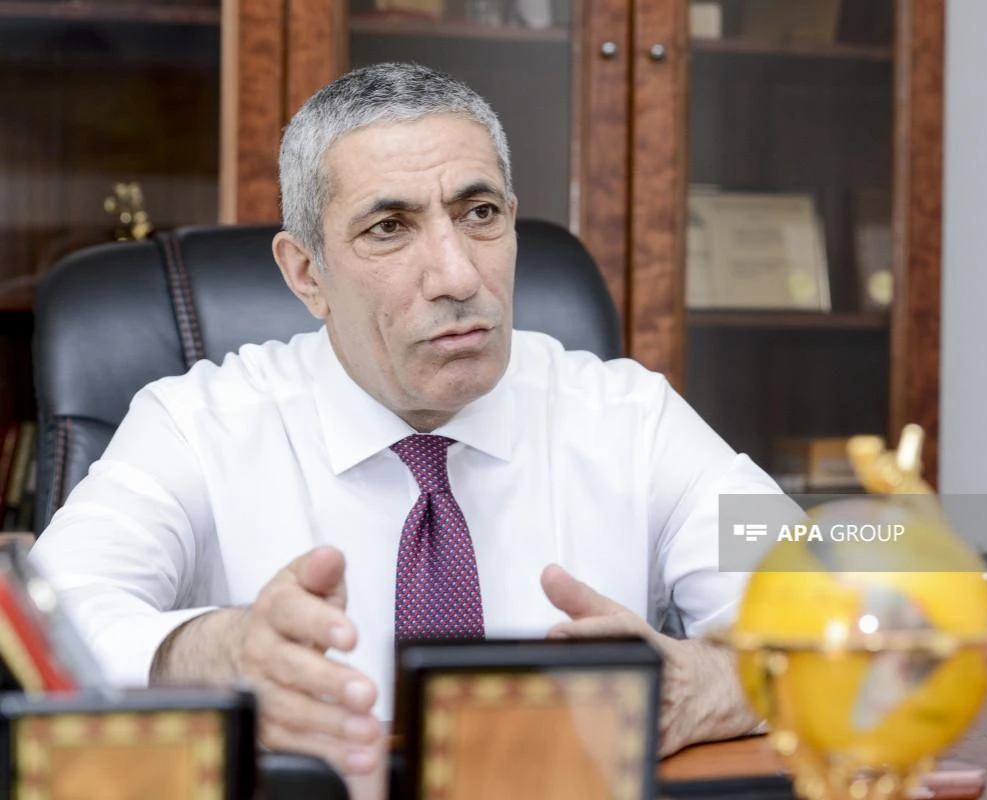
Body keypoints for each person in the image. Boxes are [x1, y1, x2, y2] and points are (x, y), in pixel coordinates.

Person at [30, 62, 778, 787]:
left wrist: (710, 683)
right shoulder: (195, 425)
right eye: (389, 227)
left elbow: (838, 587)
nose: (458, 276)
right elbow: (41, 624)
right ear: (306, 273)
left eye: (479, 214)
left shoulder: (634, 420)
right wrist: (213, 652)